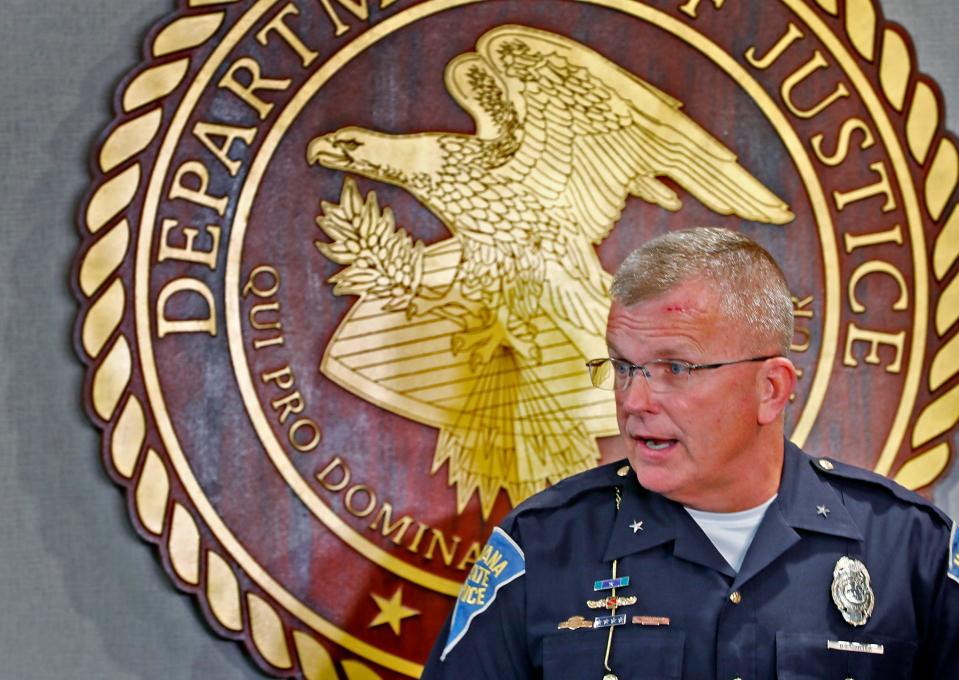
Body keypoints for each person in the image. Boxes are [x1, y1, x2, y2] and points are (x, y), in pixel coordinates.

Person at [420, 227, 959, 679]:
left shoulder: (910, 549)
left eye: (675, 368)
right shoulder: (541, 546)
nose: (633, 401)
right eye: (624, 367)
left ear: (770, 389)